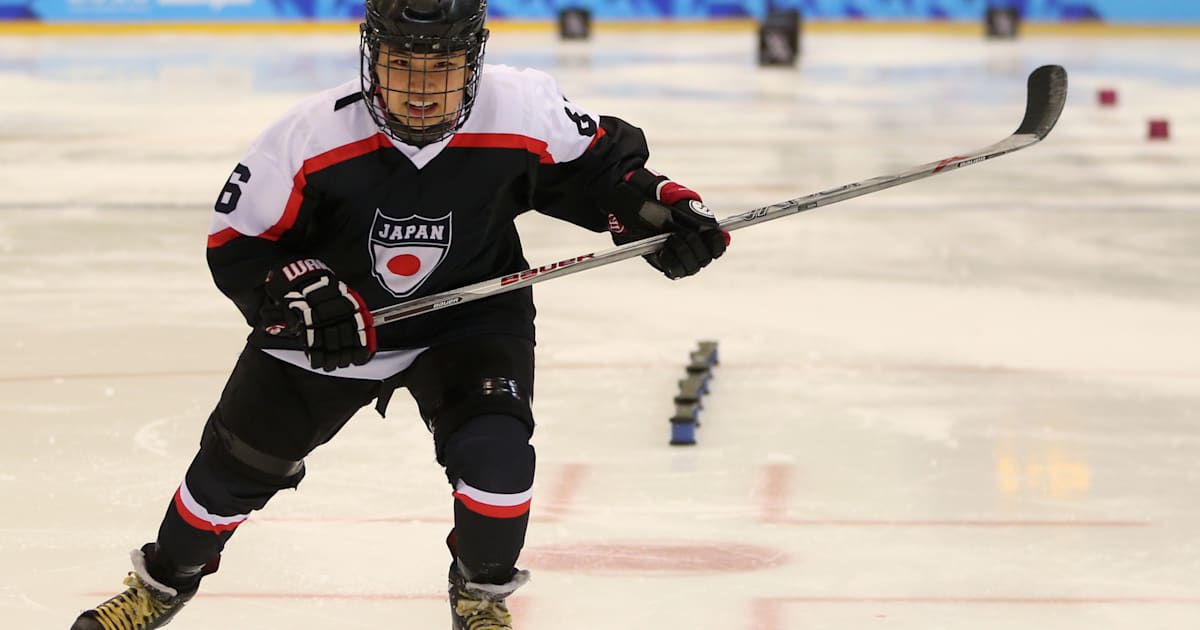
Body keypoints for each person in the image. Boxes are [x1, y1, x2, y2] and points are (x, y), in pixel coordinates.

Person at [70, 0, 726, 627]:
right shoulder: (309, 136)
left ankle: (481, 594)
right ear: (370, 56)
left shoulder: (522, 107)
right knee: (231, 473)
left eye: (441, 68)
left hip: (469, 318)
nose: (420, 89)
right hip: (333, 328)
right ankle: (162, 582)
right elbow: (237, 244)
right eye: (402, 65)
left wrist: (659, 210)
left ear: (473, 61)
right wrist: (299, 288)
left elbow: (602, 172)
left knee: (498, 458)